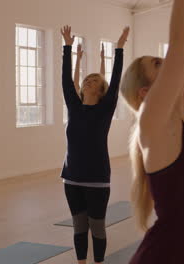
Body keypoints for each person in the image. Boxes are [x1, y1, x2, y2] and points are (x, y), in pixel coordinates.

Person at [120, 0, 184, 263]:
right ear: (146, 93)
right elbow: (183, 45)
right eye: (158, 63)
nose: (167, 62)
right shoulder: (151, 122)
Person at [60, 25, 128, 264]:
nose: (88, 81)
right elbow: (66, 80)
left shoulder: (105, 109)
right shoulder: (74, 106)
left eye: (93, 80)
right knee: (79, 227)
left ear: (101, 90)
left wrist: (119, 49)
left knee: (97, 228)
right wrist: (67, 47)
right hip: (72, 178)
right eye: (86, 80)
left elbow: (116, 79)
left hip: (98, 179)